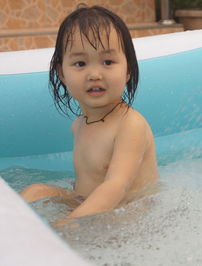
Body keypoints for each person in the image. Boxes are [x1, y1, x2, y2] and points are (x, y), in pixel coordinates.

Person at [20, 5, 158, 226]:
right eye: (80, 63)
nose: (94, 74)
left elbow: (116, 185)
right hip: (87, 204)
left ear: (129, 70)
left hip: (127, 215)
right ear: (62, 73)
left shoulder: (130, 125)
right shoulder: (79, 125)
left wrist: (67, 224)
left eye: (108, 62)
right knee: (34, 191)